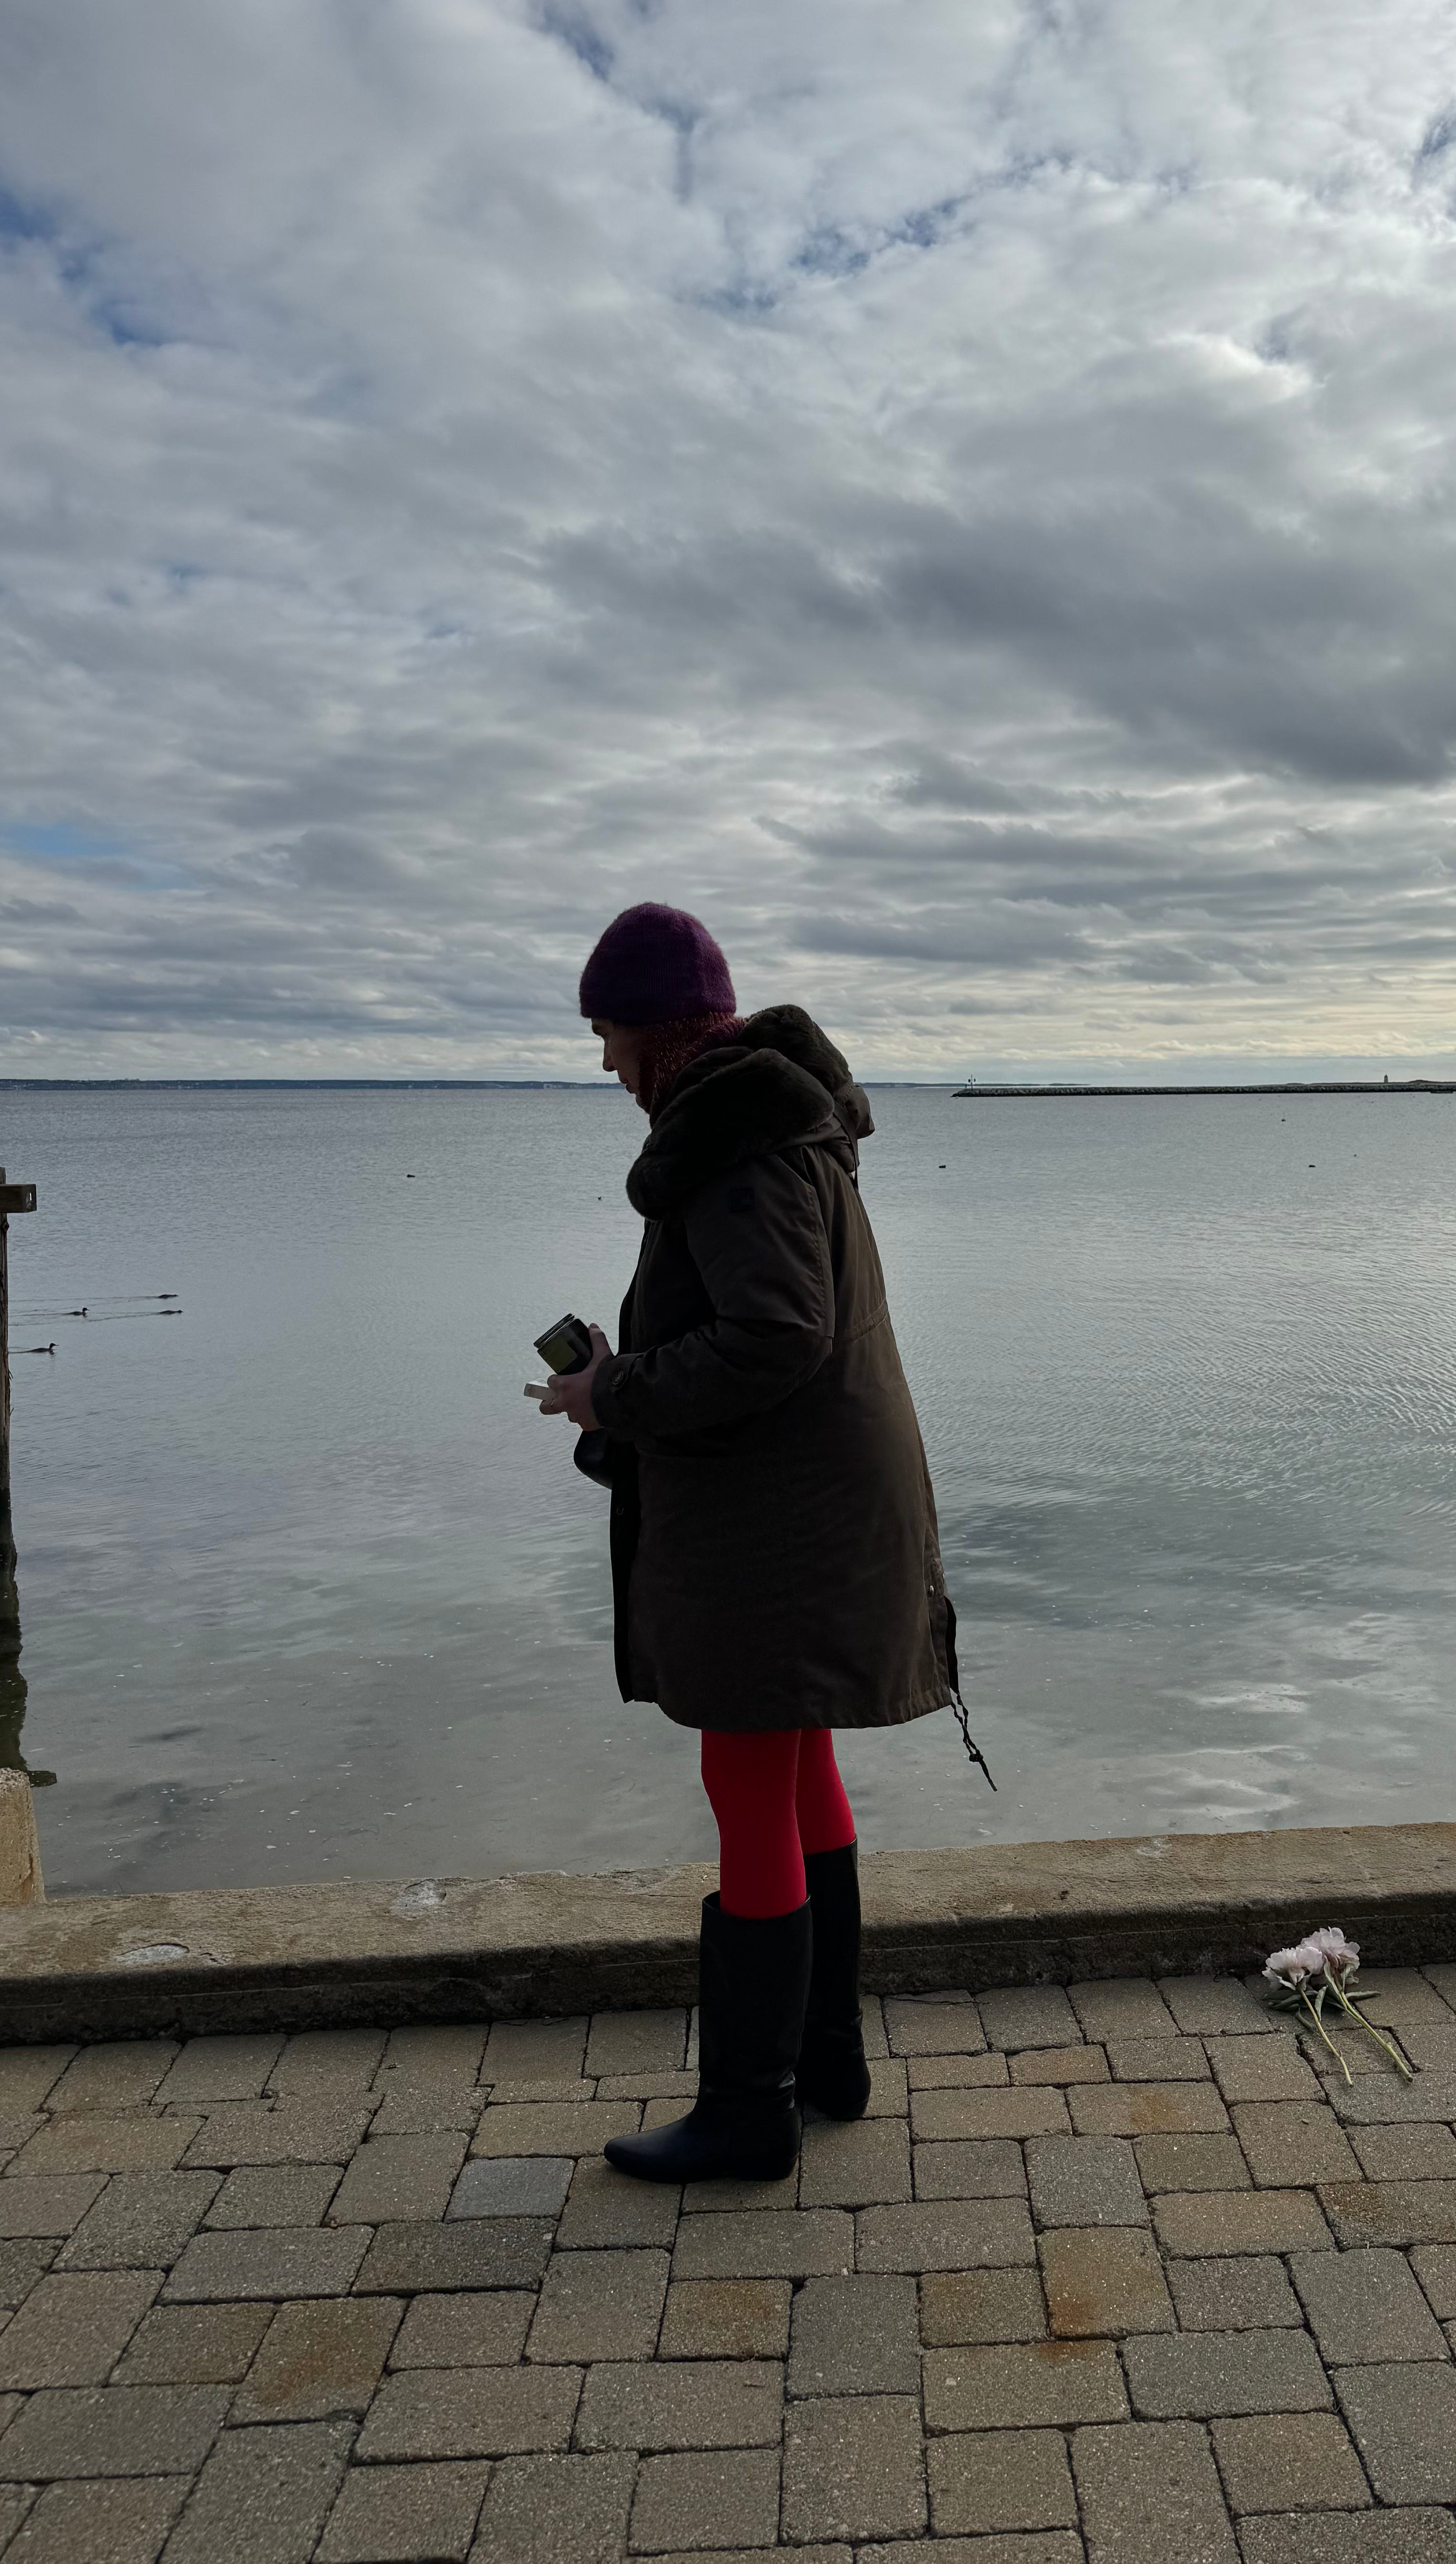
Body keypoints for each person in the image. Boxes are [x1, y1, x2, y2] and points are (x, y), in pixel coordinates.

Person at [538, 903, 972, 2186]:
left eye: (609, 1035)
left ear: (657, 1032)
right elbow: (781, 1324)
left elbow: (776, 1335)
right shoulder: (784, 1130)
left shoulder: (732, 1144)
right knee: (793, 1769)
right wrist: (624, 1374)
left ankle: (748, 2112)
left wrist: (612, 1392)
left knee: (746, 1782)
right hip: (816, 1502)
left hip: (778, 1524)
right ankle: (822, 2062)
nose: (605, 1062)